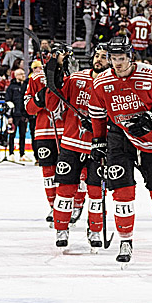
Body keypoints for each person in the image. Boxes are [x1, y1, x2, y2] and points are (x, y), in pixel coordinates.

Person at [88, 36, 152, 266]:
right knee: (122, 191)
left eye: (121, 58)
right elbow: (97, 114)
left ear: (130, 57)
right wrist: (98, 141)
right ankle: (125, 240)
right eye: (113, 58)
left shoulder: (149, 74)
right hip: (119, 138)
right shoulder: (101, 83)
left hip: (150, 139)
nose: (117, 63)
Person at [46, 43, 108, 249]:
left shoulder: (113, 84)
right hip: (71, 144)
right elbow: (54, 101)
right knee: (65, 190)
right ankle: (61, 229)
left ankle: (96, 229)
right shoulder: (77, 78)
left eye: (104, 57)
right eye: (97, 55)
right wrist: (55, 68)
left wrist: (102, 122)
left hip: (98, 146)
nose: (99, 59)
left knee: (96, 192)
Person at [24, 58, 65, 224]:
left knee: (70, 172)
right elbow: (28, 108)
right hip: (44, 132)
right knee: (49, 173)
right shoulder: (35, 79)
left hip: (69, 132)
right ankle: (53, 206)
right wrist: (39, 100)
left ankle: (71, 205)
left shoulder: (75, 78)